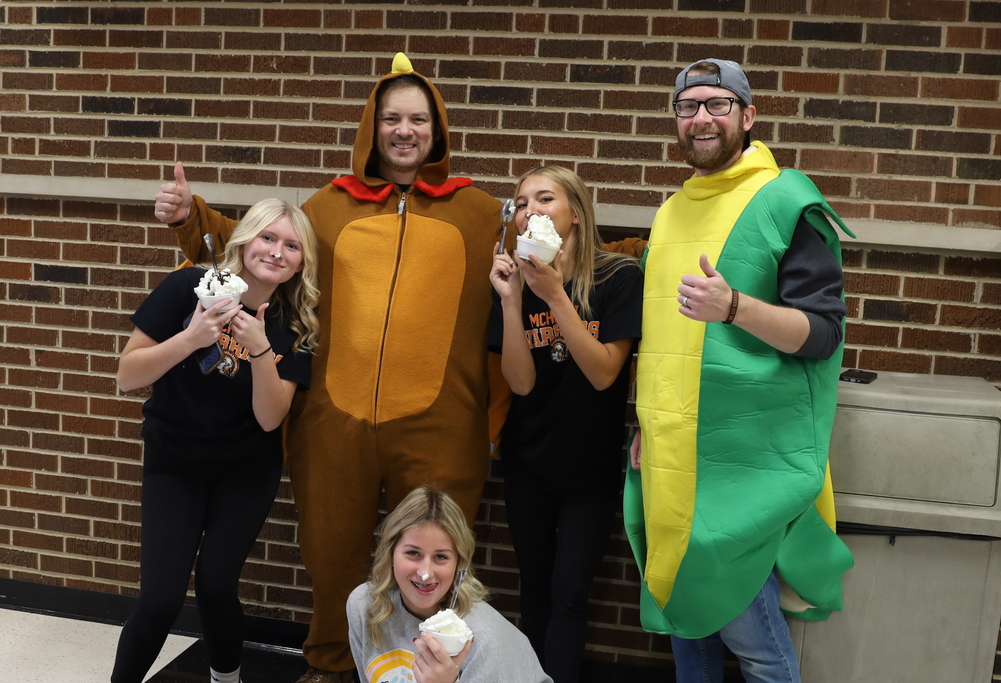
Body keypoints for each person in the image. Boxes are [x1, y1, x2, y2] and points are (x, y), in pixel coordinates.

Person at [152, 53, 503, 683]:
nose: (404, 131)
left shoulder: (480, 214)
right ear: (372, 127)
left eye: (418, 120)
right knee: (331, 551)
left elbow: (566, 244)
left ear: (438, 130)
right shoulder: (327, 207)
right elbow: (261, 247)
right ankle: (332, 664)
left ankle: (435, 670)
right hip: (332, 417)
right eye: (391, 118)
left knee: (433, 561)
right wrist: (193, 219)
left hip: (442, 424)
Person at [623, 58, 856, 683]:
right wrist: (649, 422)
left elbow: (823, 334)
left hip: (742, 463)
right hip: (675, 451)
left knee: (753, 642)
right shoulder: (671, 211)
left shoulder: (785, 199)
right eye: (687, 106)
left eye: (716, 105)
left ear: (748, 117)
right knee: (685, 623)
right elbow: (664, 338)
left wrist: (734, 307)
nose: (700, 118)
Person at [111, 199, 319, 683]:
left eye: (291, 245)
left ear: (302, 260)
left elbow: (270, 420)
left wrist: (262, 349)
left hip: (245, 471)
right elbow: (126, 376)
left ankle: (226, 678)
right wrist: (191, 337)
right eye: (268, 237)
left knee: (216, 585)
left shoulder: (297, 324)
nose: (276, 251)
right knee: (160, 599)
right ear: (245, 239)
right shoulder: (189, 287)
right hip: (174, 463)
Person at [488, 166, 642, 682]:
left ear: (574, 213)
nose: (530, 209)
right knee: (532, 588)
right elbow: (522, 383)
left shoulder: (619, 278)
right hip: (529, 460)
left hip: (590, 469)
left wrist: (554, 293)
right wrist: (512, 303)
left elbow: (603, 375)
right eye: (521, 202)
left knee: (569, 595)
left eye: (545, 198)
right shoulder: (513, 281)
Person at [347, 486, 552, 683]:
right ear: (391, 555)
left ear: (459, 563)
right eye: (413, 553)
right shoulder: (364, 606)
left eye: (441, 557)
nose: (425, 573)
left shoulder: (487, 641)